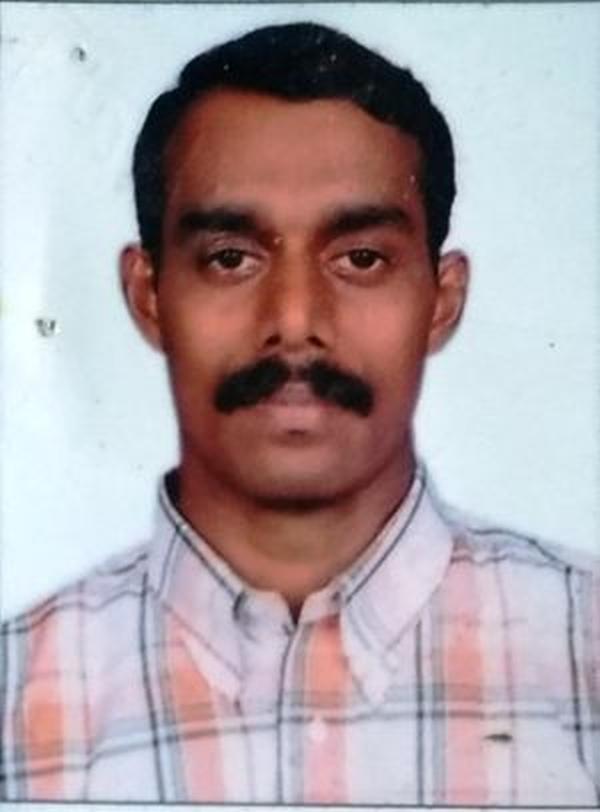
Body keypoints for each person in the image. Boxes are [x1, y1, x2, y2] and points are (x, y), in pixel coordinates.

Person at [1, 21, 598, 805]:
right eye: (230, 258)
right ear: (148, 295)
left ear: (442, 300)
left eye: (360, 259)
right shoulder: (16, 701)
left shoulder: (584, 656)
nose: (292, 319)